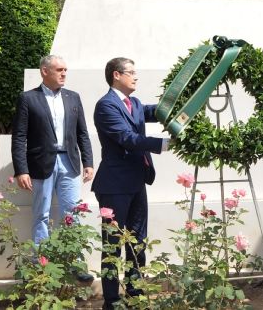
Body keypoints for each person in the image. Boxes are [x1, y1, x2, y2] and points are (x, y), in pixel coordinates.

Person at [92, 57, 170, 309]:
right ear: (117, 75)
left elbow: (156, 111)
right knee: (112, 245)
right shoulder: (106, 106)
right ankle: (112, 300)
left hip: (137, 182)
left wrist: (182, 104)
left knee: (138, 241)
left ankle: (135, 294)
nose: (136, 77)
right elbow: (126, 138)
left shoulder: (134, 103)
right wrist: (164, 144)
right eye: (131, 72)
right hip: (114, 185)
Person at [11, 54, 94, 281]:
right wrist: (21, 169)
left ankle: (75, 264)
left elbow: (82, 133)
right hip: (40, 164)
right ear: (44, 71)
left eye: (65, 69)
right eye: (59, 70)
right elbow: (19, 137)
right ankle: (41, 263)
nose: (64, 73)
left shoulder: (73, 98)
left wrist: (88, 162)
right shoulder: (28, 99)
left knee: (72, 213)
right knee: (41, 214)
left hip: (69, 162)